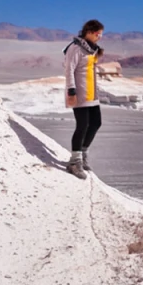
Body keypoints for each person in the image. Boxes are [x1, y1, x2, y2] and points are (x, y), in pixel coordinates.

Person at [63, 19, 105, 179]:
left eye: (101, 34)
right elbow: (69, 70)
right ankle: (74, 162)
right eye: (97, 33)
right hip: (79, 93)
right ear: (88, 32)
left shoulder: (92, 49)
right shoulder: (75, 48)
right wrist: (71, 91)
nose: (99, 37)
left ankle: (83, 152)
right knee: (82, 125)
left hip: (91, 93)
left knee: (95, 123)